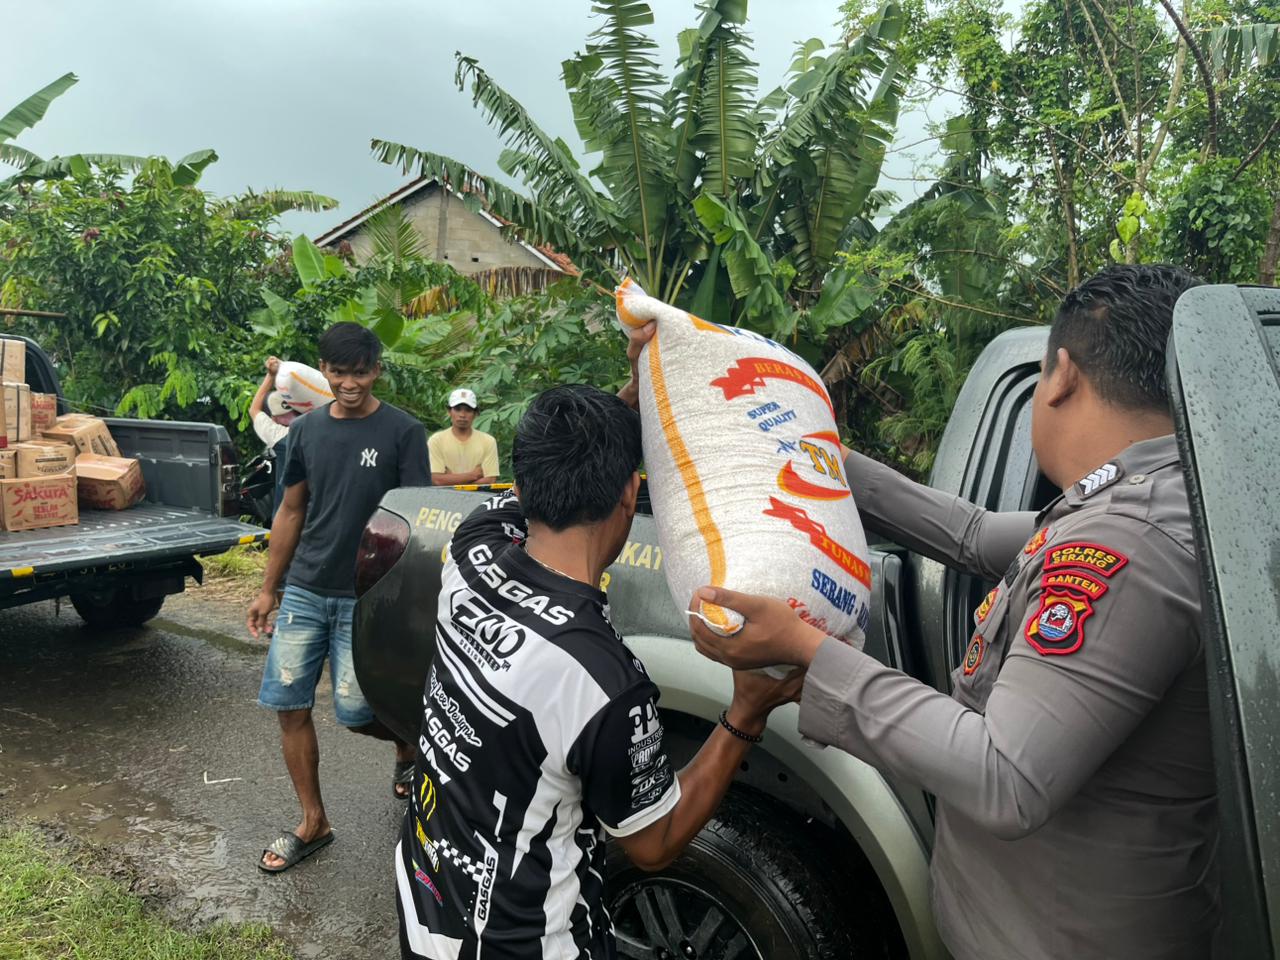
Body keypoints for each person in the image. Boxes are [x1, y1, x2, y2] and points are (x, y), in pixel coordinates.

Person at [680, 264, 1219, 960]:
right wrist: (813, 453)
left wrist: (812, 653)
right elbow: (967, 533)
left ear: (1060, 376)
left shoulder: (1131, 538)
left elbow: (1007, 777)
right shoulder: (1152, 498)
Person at [395, 384, 800, 958]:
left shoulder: (471, 550)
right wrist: (747, 713)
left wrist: (608, 413)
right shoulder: (602, 682)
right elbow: (653, 842)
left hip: (426, 910)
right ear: (630, 495)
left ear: (525, 478)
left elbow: (533, 487)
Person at [248, 322, 431, 873]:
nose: (348, 383)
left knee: (356, 711)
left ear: (376, 369)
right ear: (322, 371)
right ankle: (313, 821)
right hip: (305, 588)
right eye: (338, 372)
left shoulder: (403, 431)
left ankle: (407, 746)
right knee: (288, 704)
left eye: (359, 372)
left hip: (368, 593)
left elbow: (417, 516)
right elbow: (291, 510)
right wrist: (267, 588)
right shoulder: (305, 433)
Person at [247, 356, 297, 517]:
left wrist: (270, 375)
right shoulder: (321, 428)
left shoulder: (279, 436)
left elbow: (254, 410)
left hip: (286, 518)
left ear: (274, 418)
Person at [428, 387, 499, 486]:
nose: (462, 415)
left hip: (478, 500)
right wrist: (473, 475)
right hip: (444, 499)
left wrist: (450, 479)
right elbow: (436, 480)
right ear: (449, 411)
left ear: (475, 414)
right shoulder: (436, 440)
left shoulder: (488, 441)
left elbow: (490, 480)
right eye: (457, 409)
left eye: (468, 410)